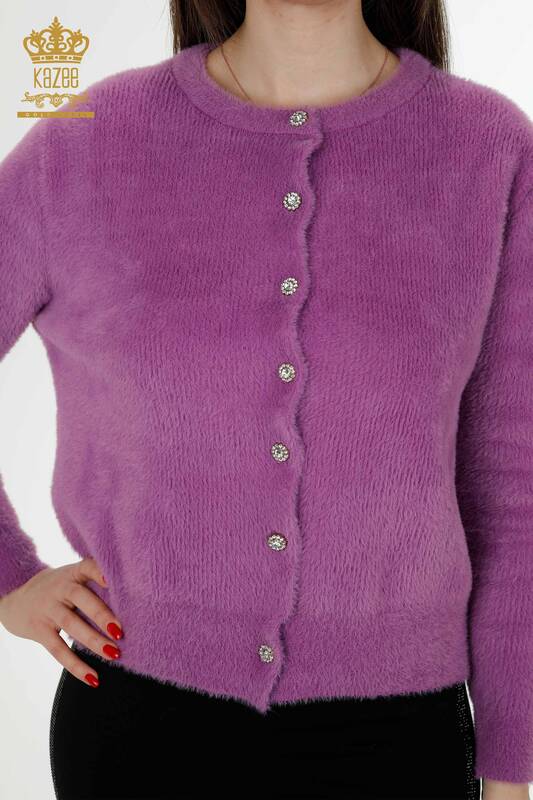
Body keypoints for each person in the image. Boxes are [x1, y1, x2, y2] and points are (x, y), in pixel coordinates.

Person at [0, 1, 531, 798]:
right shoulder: (86, 143)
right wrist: (10, 578)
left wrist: (509, 768)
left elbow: (513, 485)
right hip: (136, 726)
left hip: (401, 736)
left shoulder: (487, 149)